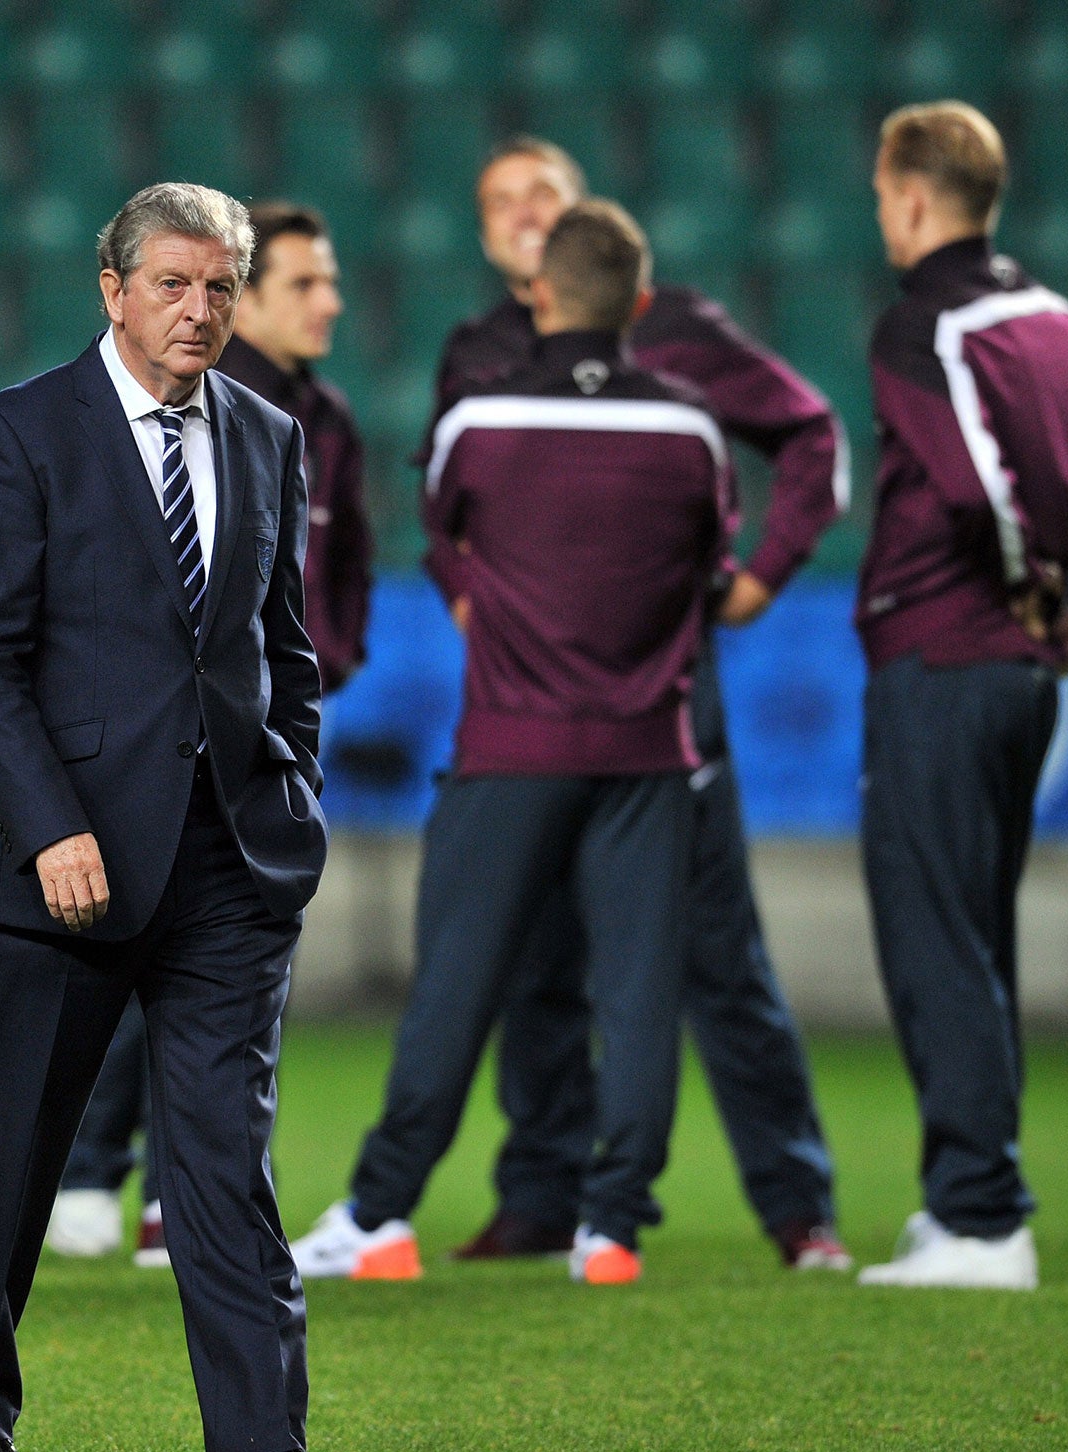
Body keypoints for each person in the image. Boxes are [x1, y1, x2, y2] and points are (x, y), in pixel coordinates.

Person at [0, 183, 375, 1452]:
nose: (199, 308)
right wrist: (51, 821)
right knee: (9, 1155)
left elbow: (281, 649)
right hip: (61, 869)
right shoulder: (19, 433)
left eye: (221, 285)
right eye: (173, 283)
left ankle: (258, 1444)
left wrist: (295, 786)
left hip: (232, 864)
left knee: (227, 1162)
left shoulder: (272, 433)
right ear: (111, 290)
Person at [344, 134, 849, 1273]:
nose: (521, 212)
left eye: (541, 195)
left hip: (661, 700)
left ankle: (795, 1204)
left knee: (715, 953)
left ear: (580, 223)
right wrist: (472, 601)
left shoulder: (674, 336)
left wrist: (764, 576)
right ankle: (543, 1193)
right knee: (530, 958)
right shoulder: (474, 350)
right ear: (486, 239)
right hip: (528, 700)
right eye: (499, 201)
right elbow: (441, 519)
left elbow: (811, 432)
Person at [293, 201, 733, 1286]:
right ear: (638, 304)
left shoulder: (475, 424)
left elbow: (446, 538)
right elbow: (708, 565)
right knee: (634, 993)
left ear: (537, 295)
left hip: (509, 745)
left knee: (453, 986)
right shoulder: (690, 430)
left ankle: (380, 1216)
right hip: (646, 753)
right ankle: (613, 1228)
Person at [852, 103, 1068, 1290]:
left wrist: (1036, 579)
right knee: (972, 940)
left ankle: (982, 1219)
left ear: (906, 196)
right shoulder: (1048, 314)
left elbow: (969, 486)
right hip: (1018, 677)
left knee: (932, 939)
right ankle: (966, 1204)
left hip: (942, 663)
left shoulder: (918, 327)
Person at [45, 199, 373, 1271]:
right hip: (137, 763)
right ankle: (92, 1171)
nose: (327, 300)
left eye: (219, 287)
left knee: (212, 1009)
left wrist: (295, 755)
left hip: (245, 765)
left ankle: (164, 1204)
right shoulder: (97, 419)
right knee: (128, 979)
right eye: (305, 283)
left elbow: (325, 591)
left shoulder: (298, 429)